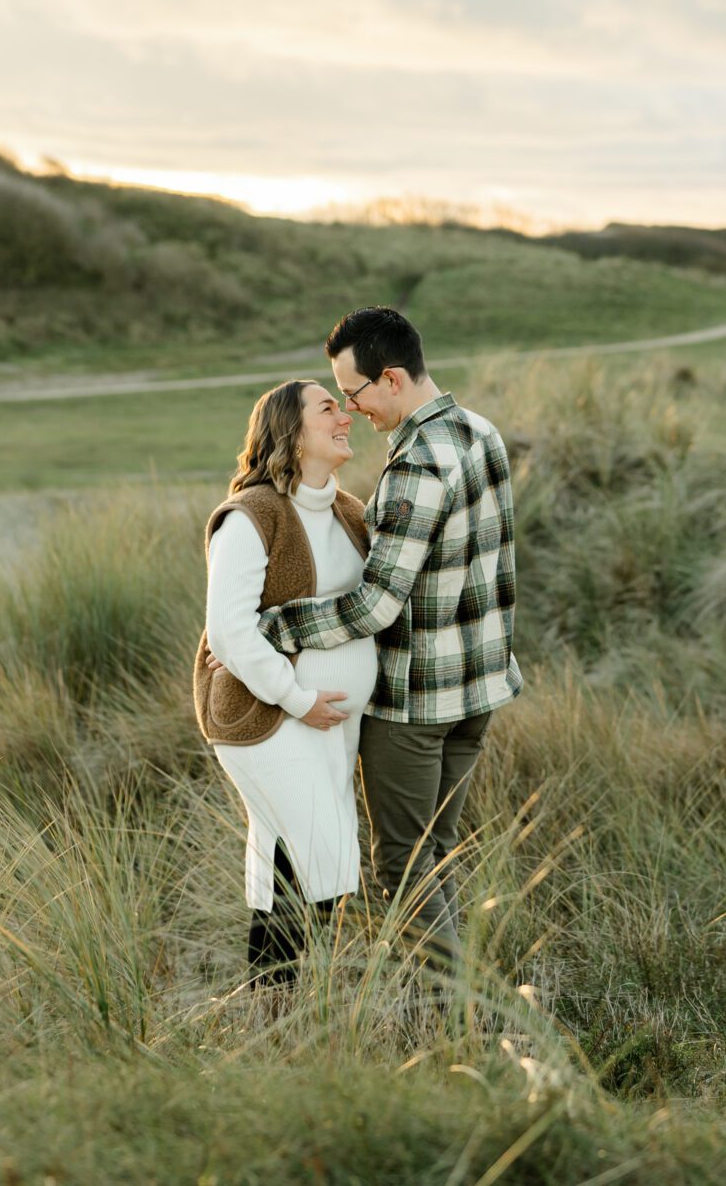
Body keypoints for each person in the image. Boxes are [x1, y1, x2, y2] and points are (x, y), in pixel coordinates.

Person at [256, 306, 520, 977]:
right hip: (480, 690)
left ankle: (455, 1017)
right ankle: (454, 1003)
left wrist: (279, 628)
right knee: (438, 852)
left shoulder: (415, 467)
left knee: (402, 863)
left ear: (392, 378)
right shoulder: (481, 432)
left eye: (354, 392)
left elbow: (375, 605)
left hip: (416, 706)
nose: (349, 408)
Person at [199, 378, 375, 993]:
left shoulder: (350, 512)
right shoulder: (252, 517)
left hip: (330, 725)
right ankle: (287, 1005)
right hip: (269, 720)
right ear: (291, 433)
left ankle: (277, 1014)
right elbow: (228, 633)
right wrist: (299, 700)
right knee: (318, 854)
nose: (345, 414)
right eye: (327, 407)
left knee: (291, 861)